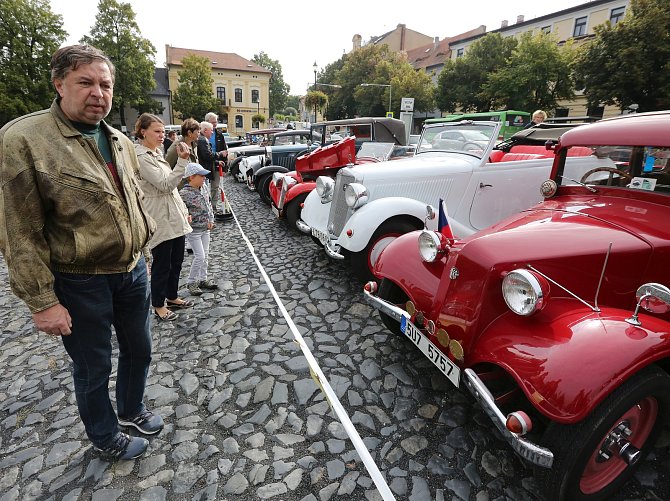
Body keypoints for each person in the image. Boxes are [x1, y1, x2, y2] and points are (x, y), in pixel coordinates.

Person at [0, 44, 162, 461]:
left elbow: (132, 200)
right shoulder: (24, 140)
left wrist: (143, 248)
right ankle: (105, 436)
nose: (98, 93)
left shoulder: (120, 140)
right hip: (79, 279)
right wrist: (41, 301)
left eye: (105, 84)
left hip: (131, 270)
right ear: (59, 84)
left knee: (139, 349)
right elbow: (18, 230)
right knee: (94, 366)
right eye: (85, 82)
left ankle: (130, 409)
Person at [134, 113, 193, 321]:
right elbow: (166, 184)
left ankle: (172, 296)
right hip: (159, 217)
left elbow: (172, 190)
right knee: (162, 264)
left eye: (163, 132)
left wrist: (185, 212)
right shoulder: (141, 157)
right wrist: (182, 162)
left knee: (176, 260)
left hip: (173, 215)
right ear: (143, 131)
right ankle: (158, 305)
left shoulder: (156, 153)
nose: (162, 135)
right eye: (157, 131)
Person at [179, 163, 219, 296]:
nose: (204, 178)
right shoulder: (183, 194)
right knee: (200, 256)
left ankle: (203, 279)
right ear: (191, 177)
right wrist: (186, 217)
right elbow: (181, 210)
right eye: (201, 176)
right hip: (194, 230)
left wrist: (211, 220)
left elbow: (209, 205)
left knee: (205, 255)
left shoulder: (204, 188)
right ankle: (191, 282)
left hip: (205, 229)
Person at [204, 112, 228, 212]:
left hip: (217, 163)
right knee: (203, 186)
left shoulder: (219, 134)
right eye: (213, 122)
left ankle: (213, 206)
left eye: (216, 122)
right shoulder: (202, 134)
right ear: (207, 122)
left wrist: (225, 166)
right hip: (205, 163)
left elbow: (224, 150)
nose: (215, 124)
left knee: (215, 186)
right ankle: (205, 206)